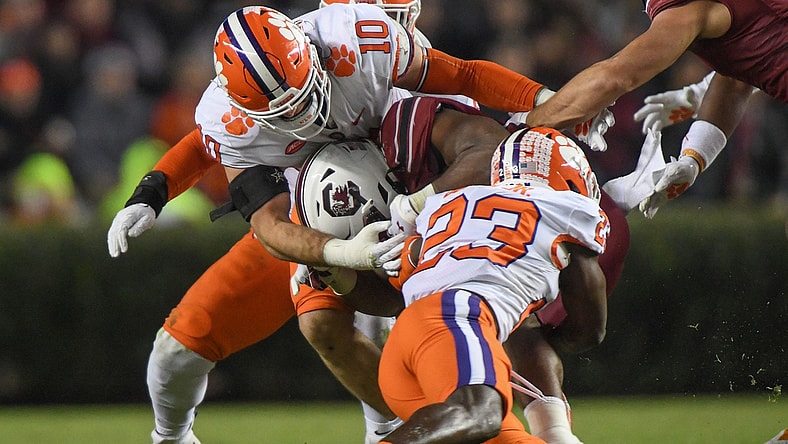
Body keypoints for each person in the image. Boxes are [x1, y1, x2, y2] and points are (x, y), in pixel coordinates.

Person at [107, 3, 578, 443]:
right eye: (281, 111)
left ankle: (532, 428)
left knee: (464, 321)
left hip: (422, 213)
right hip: (314, 219)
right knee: (241, 337)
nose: (300, 113)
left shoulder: (374, 52)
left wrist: (550, 102)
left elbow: (468, 87)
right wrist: (154, 190)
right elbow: (264, 218)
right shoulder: (231, 119)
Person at [376, 126, 609, 443]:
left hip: (405, 351)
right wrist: (561, 338)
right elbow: (589, 330)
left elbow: (411, 266)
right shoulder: (567, 210)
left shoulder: (446, 203)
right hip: (457, 318)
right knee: (478, 414)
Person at [522, 0, 786, 216]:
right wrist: (694, 157)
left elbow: (615, 77)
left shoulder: (689, 9)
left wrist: (520, 133)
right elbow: (737, 76)